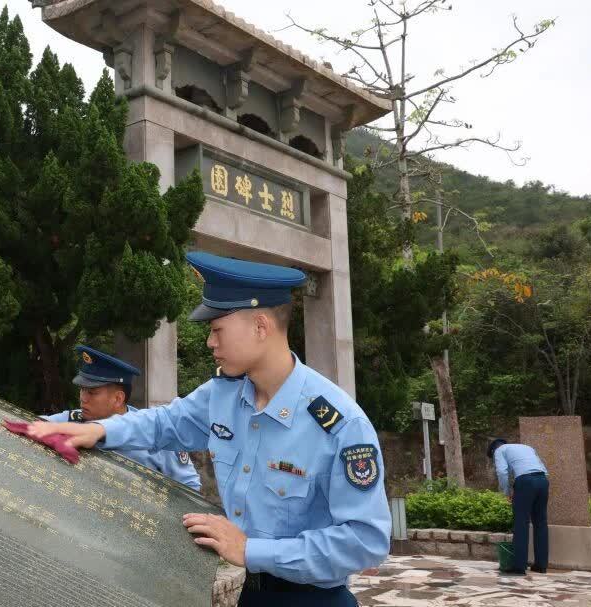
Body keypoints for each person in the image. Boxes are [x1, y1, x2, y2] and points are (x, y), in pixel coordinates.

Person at [29, 252, 390, 607]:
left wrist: (251, 550)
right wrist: (99, 432)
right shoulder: (223, 396)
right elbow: (164, 423)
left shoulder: (339, 424)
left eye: (217, 329)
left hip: (316, 600)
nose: (210, 342)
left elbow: (365, 540)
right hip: (253, 594)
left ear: (260, 326)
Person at [40, 345, 201, 491]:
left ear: (118, 399)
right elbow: (30, 426)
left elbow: (189, 488)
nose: (83, 398)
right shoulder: (70, 421)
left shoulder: (152, 432)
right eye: (82, 389)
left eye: (92, 392)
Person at [488, 438, 549, 575]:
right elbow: (542, 467)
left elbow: (502, 472)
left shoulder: (499, 450)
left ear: (493, 450)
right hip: (543, 480)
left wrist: (506, 492)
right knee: (541, 523)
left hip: (525, 481)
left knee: (521, 523)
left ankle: (519, 566)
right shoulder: (526, 447)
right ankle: (541, 565)